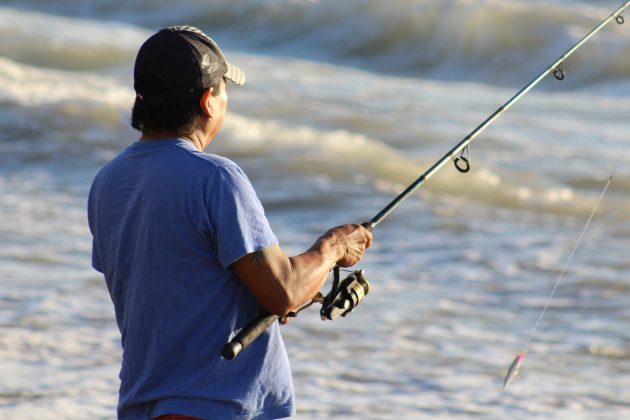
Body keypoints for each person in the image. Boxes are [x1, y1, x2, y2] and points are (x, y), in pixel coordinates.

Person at [87, 26, 372, 420]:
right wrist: (334, 247)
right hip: (219, 407)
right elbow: (284, 291)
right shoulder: (216, 177)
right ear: (208, 101)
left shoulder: (108, 181)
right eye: (223, 90)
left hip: (142, 405)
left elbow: (165, 287)